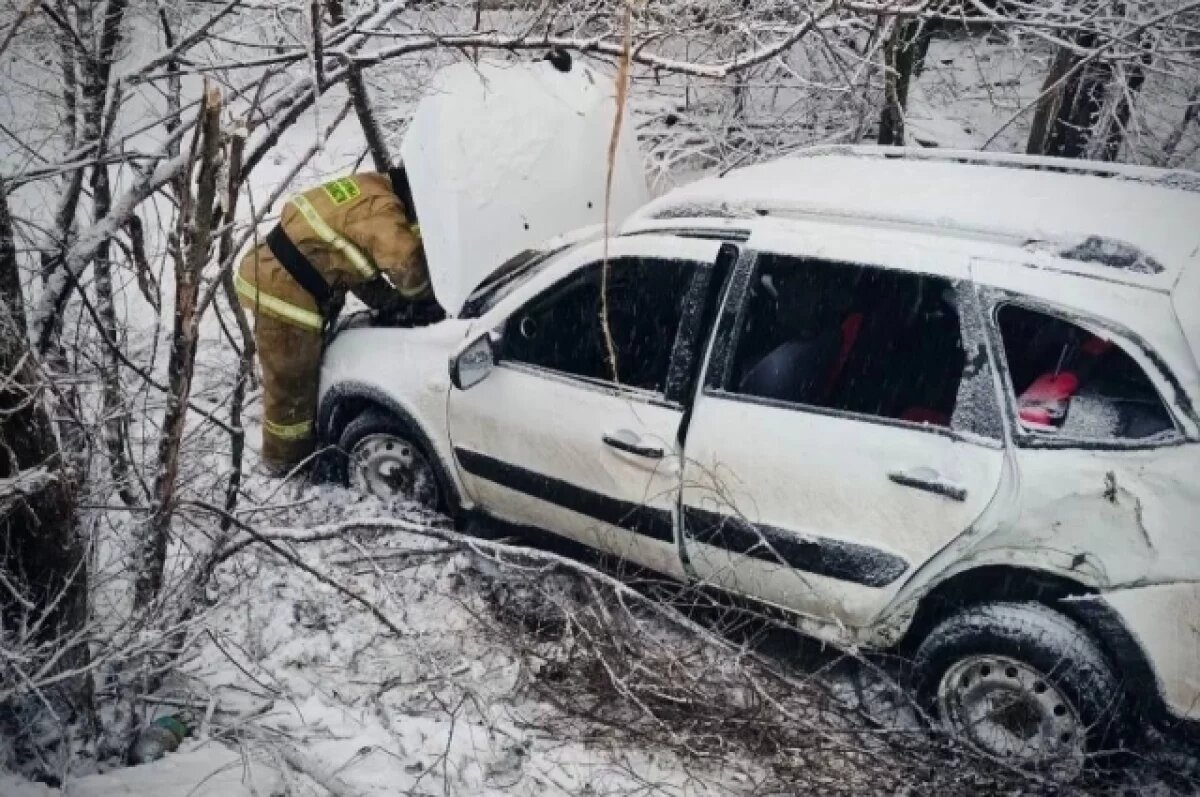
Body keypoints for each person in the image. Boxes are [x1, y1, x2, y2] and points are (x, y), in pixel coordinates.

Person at [236, 167, 438, 476]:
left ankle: (302, 445)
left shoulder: (370, 188)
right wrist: (429, 300)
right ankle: (287, 464)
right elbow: (407, 267)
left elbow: (353, 263)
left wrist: (391, 303)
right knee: (292, 382)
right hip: (282, 289)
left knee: (300, 372)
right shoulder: (380, 209)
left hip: (281, 273)